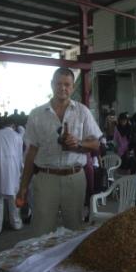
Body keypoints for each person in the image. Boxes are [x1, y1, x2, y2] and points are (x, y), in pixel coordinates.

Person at [15, 68, 102, 237]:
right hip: (46, 177)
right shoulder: (37, 114)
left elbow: (96, 143)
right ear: (51, 85)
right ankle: (43, 263)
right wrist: (23, 187)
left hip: (75, 177)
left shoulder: (82, 111)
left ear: (73, 88)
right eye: (58, 84)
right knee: (42, 230)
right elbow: (31, 152)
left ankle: (70, 263)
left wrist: (79, 142)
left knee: (74, 228)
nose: (63, 88)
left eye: (67, 84)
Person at [0, 116, 23, 234]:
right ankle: (16, 223)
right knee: (13, 199)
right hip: (13, 170)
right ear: (13, 125)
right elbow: (20, 156)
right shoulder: (17, 136)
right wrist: (21, 170)